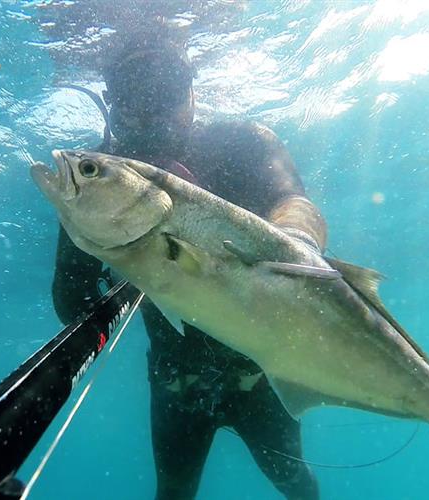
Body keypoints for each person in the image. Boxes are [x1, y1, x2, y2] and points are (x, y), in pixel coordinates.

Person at [50, 27, 327, 500]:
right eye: (136, 91)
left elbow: (293, 201)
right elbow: (70, 295)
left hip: (257, 375)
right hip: (178, 385)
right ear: (114, 105)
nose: (153, 104)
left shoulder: (242, 143)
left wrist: (295, 243)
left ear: (193, 91)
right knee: (175, 493)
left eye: (167, 85)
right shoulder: (99, 184)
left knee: (294, 481)